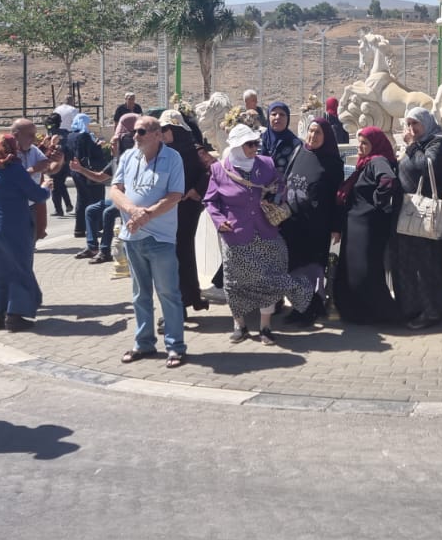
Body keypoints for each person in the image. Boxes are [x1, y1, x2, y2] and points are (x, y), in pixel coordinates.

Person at [205, 124, 315, 345]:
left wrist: (273, 197)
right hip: (235, 234)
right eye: (249, 144)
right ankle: (240, 325)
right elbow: (210, 200)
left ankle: (265, 327)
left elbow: (281, 185)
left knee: (269, 276)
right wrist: (219, 221)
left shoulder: (266, 164)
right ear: (236, 146)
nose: (255, 148)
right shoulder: (219, 170)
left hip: (265, 231)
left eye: (256, 143)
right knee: (235, 282)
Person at [112, 115, 189, 368]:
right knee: (139, 294)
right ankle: (143, 343)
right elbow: (115, 190)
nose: (136, 136)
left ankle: (175, 346)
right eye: (135, 131)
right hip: (133, 236)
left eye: (142, 131)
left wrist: (147, 215)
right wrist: (134, 212)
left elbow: (176, 194)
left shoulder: (173, 158)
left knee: (168, 293)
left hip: (161, 238)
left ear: (157, 134)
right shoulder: (128, 157)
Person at [0, 133, 50, 332]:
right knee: (19, 270)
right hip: (12, 227)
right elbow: (37, 195)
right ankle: (15, 316)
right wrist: (46, 187)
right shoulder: (15, 169)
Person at [332, 127, 402, 324]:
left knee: (364, 272)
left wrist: (376, 203)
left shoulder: (377, 160)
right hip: (355, 226)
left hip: (367, 226)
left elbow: (388, 180)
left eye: (365, 143)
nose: (361, 148)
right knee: (352, 271)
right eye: (359, 143)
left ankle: (381, 313)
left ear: (375, 145)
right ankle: (357, 312)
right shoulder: (364, 164)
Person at [280, 116, 345, 325]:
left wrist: (336, 227)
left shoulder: (333, 163)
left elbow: (338, 199)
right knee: (293, 268)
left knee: (311, 270)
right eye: (310, 131)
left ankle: (312, 308)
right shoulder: (300, 152)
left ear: (326, 136)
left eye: (318, 132)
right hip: (293, 223)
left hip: (317, 227)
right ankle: (300, 306)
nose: (313, 136)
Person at [394, 107, 442, 329]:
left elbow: (428, 165)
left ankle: (432, 311)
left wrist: (411, 146)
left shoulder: (438, 143)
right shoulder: (416, 145)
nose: (411, 129)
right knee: (409, 264)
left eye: (415, 124)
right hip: (409, 213)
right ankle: (412, 308)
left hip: (426, 213)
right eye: (408, 124)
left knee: (428, 264)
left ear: (426, 123)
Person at [159, 109, 211, 314]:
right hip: (166, 209)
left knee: (182, 252)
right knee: (172, 254)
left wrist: (196, 190)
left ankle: (183, 301)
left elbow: (211, 170)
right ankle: (184, 299)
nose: (162, 133)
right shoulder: (162, 152)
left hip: (187, 209)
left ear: (176, 129)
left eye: (166, 128)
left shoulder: (194, 150)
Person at [74, 112, 137, 263]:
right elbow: (100, 177)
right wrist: (81, 170)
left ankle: (105, 251)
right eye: (112, 143)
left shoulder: (131, 159)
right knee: (91, 210)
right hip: (117, 200)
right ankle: (92, 247)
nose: (112, 146)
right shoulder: (115, 161)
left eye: (115, 143)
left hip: (130, 201)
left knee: (108, 213)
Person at [64, 113, 108, 241]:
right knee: (94, 199)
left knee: (81, 199)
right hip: (88, 172)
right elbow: (91, 153)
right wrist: (99, 145)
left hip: (75, 171)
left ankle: (79, 228)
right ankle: (93, 228)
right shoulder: (84, 136)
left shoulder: (70, 136)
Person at [260, 101, 302, 193]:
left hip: (284, 194)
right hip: (257, 191)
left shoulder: (295, 144)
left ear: (288, 118)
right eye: (274, 114)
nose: (277, 117)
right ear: (268, 117)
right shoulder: (258, 140)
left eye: (282, 114)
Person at [45, 112, 74, 219]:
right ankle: (68, 204)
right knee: (60, 184)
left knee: (56, 187)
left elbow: (49, 149)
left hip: (55, 162)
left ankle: (59, 209)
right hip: (66, 162)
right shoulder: (66, 132)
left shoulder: (51, 134)